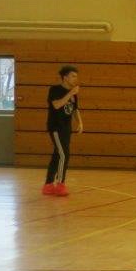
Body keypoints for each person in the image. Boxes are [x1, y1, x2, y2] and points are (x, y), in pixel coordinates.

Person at [42, 66, 84, 196]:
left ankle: (48, 185)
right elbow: (56, 105)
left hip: (66, 128)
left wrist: (80, 122)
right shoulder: (55, 90)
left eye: (76, 76)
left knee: (58, 155)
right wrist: (70, 94)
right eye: (73, 76)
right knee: (64, 155)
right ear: (65, 77)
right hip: (56, 127)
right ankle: (60, 185)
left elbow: (75, 109)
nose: (75, 79)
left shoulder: (73, 93)